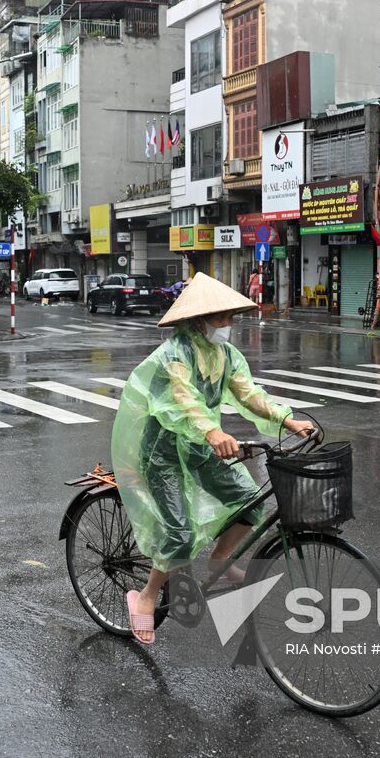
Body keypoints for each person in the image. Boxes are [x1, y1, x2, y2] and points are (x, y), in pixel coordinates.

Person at [111, 272, 316, 645]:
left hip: (202, 447)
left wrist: (286, 418)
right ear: (199, 319)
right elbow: (182, 401)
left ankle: (220, 562)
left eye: (230, 317)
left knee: (250, 501)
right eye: (222, 318)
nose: (228, 325)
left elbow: (249, 393)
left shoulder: (225, 354)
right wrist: (213, 431)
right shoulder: (173, 355)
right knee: (181, 533)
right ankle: (146, 595)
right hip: (164, 455)